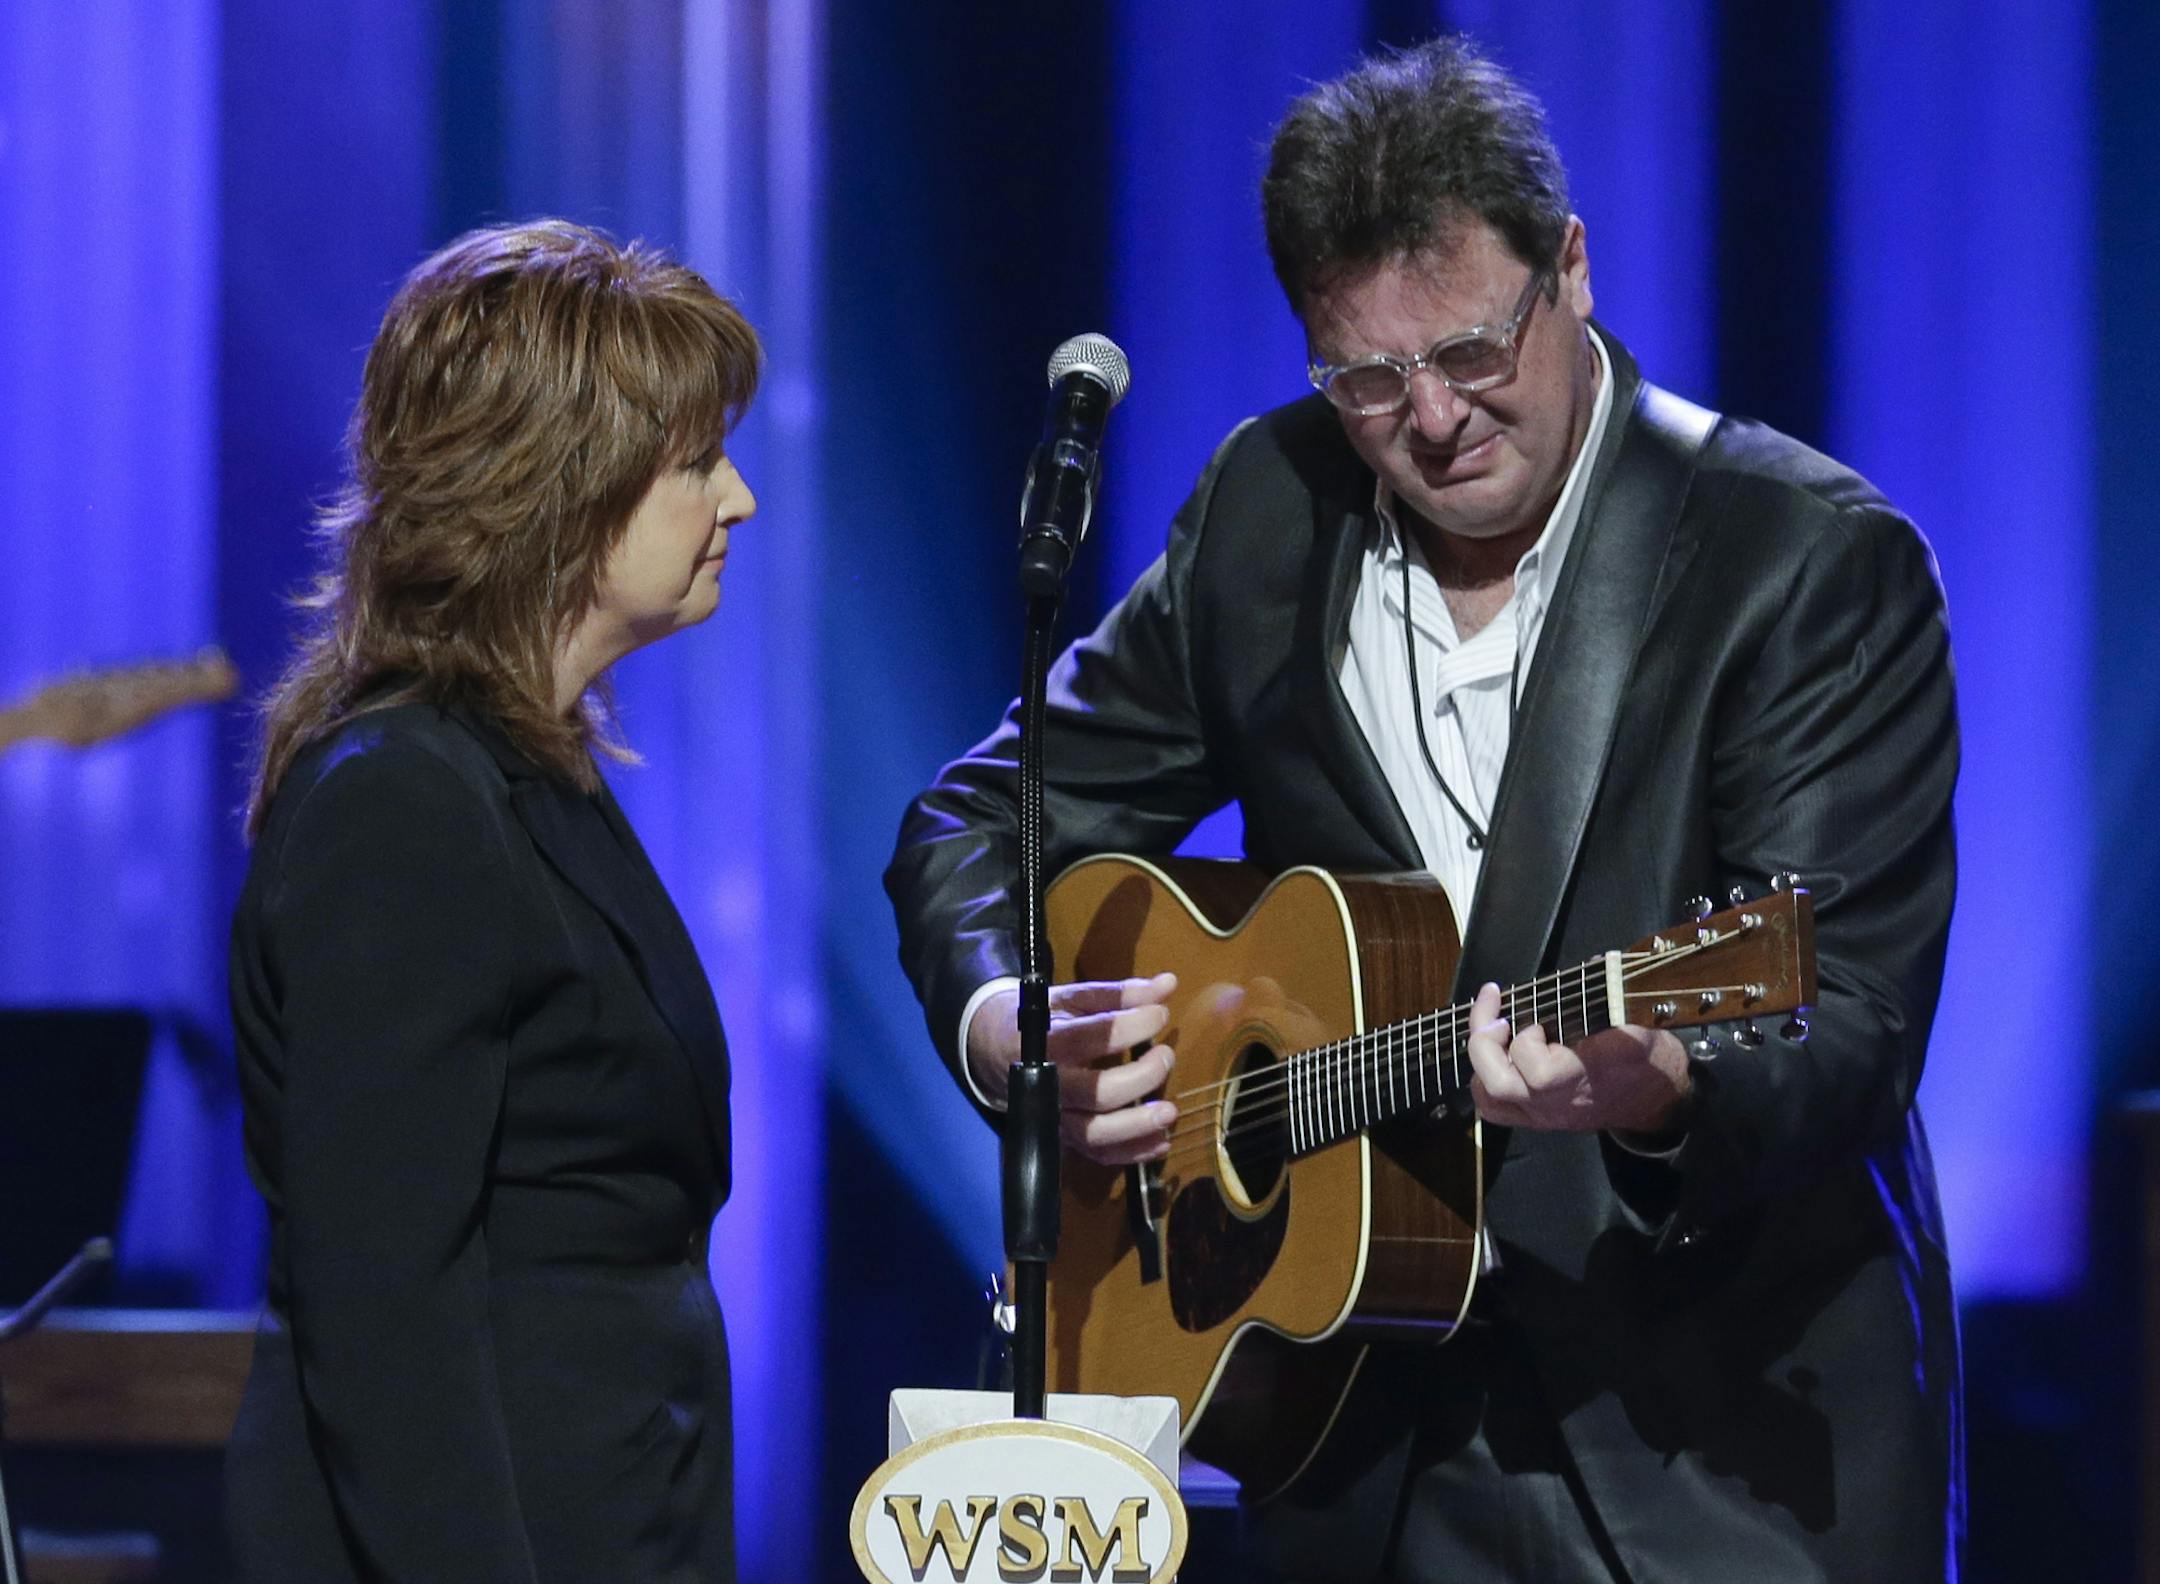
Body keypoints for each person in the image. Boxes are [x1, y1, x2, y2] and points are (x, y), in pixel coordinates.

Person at [885, 36, 1960, 1584]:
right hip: (1349, 1438)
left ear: (1570, 270)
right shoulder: (1272, 507)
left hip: (1714, 1460)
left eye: (1469, 352)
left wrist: (1664, 1082)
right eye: (1368, 380)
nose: (1431, 418)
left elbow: (1844, 1014)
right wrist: (1010, 1028)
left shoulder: (1798, 562)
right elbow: (982, 823)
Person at [226, 220, 760, 1583]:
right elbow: (383, 1311)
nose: (737, 499)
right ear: (563, 492)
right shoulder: (404, 803)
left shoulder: (526, 778)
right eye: (695, 463)